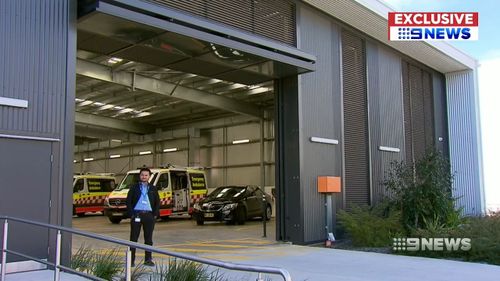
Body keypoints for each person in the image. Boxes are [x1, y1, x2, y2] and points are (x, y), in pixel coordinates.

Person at [125, 167, 160, 267]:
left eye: (146, 175)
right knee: (133, 239)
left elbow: (157, 202)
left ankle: (148, 259)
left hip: (149, 216)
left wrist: (154, 215)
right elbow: (128, 201)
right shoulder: (134, 187)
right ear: (139, 176)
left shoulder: (153, 188)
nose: (144, 177)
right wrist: (131, 214)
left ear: (149, 176)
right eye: (142, 175)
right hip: (136, 215)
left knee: (148, 239)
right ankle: (131, 261)